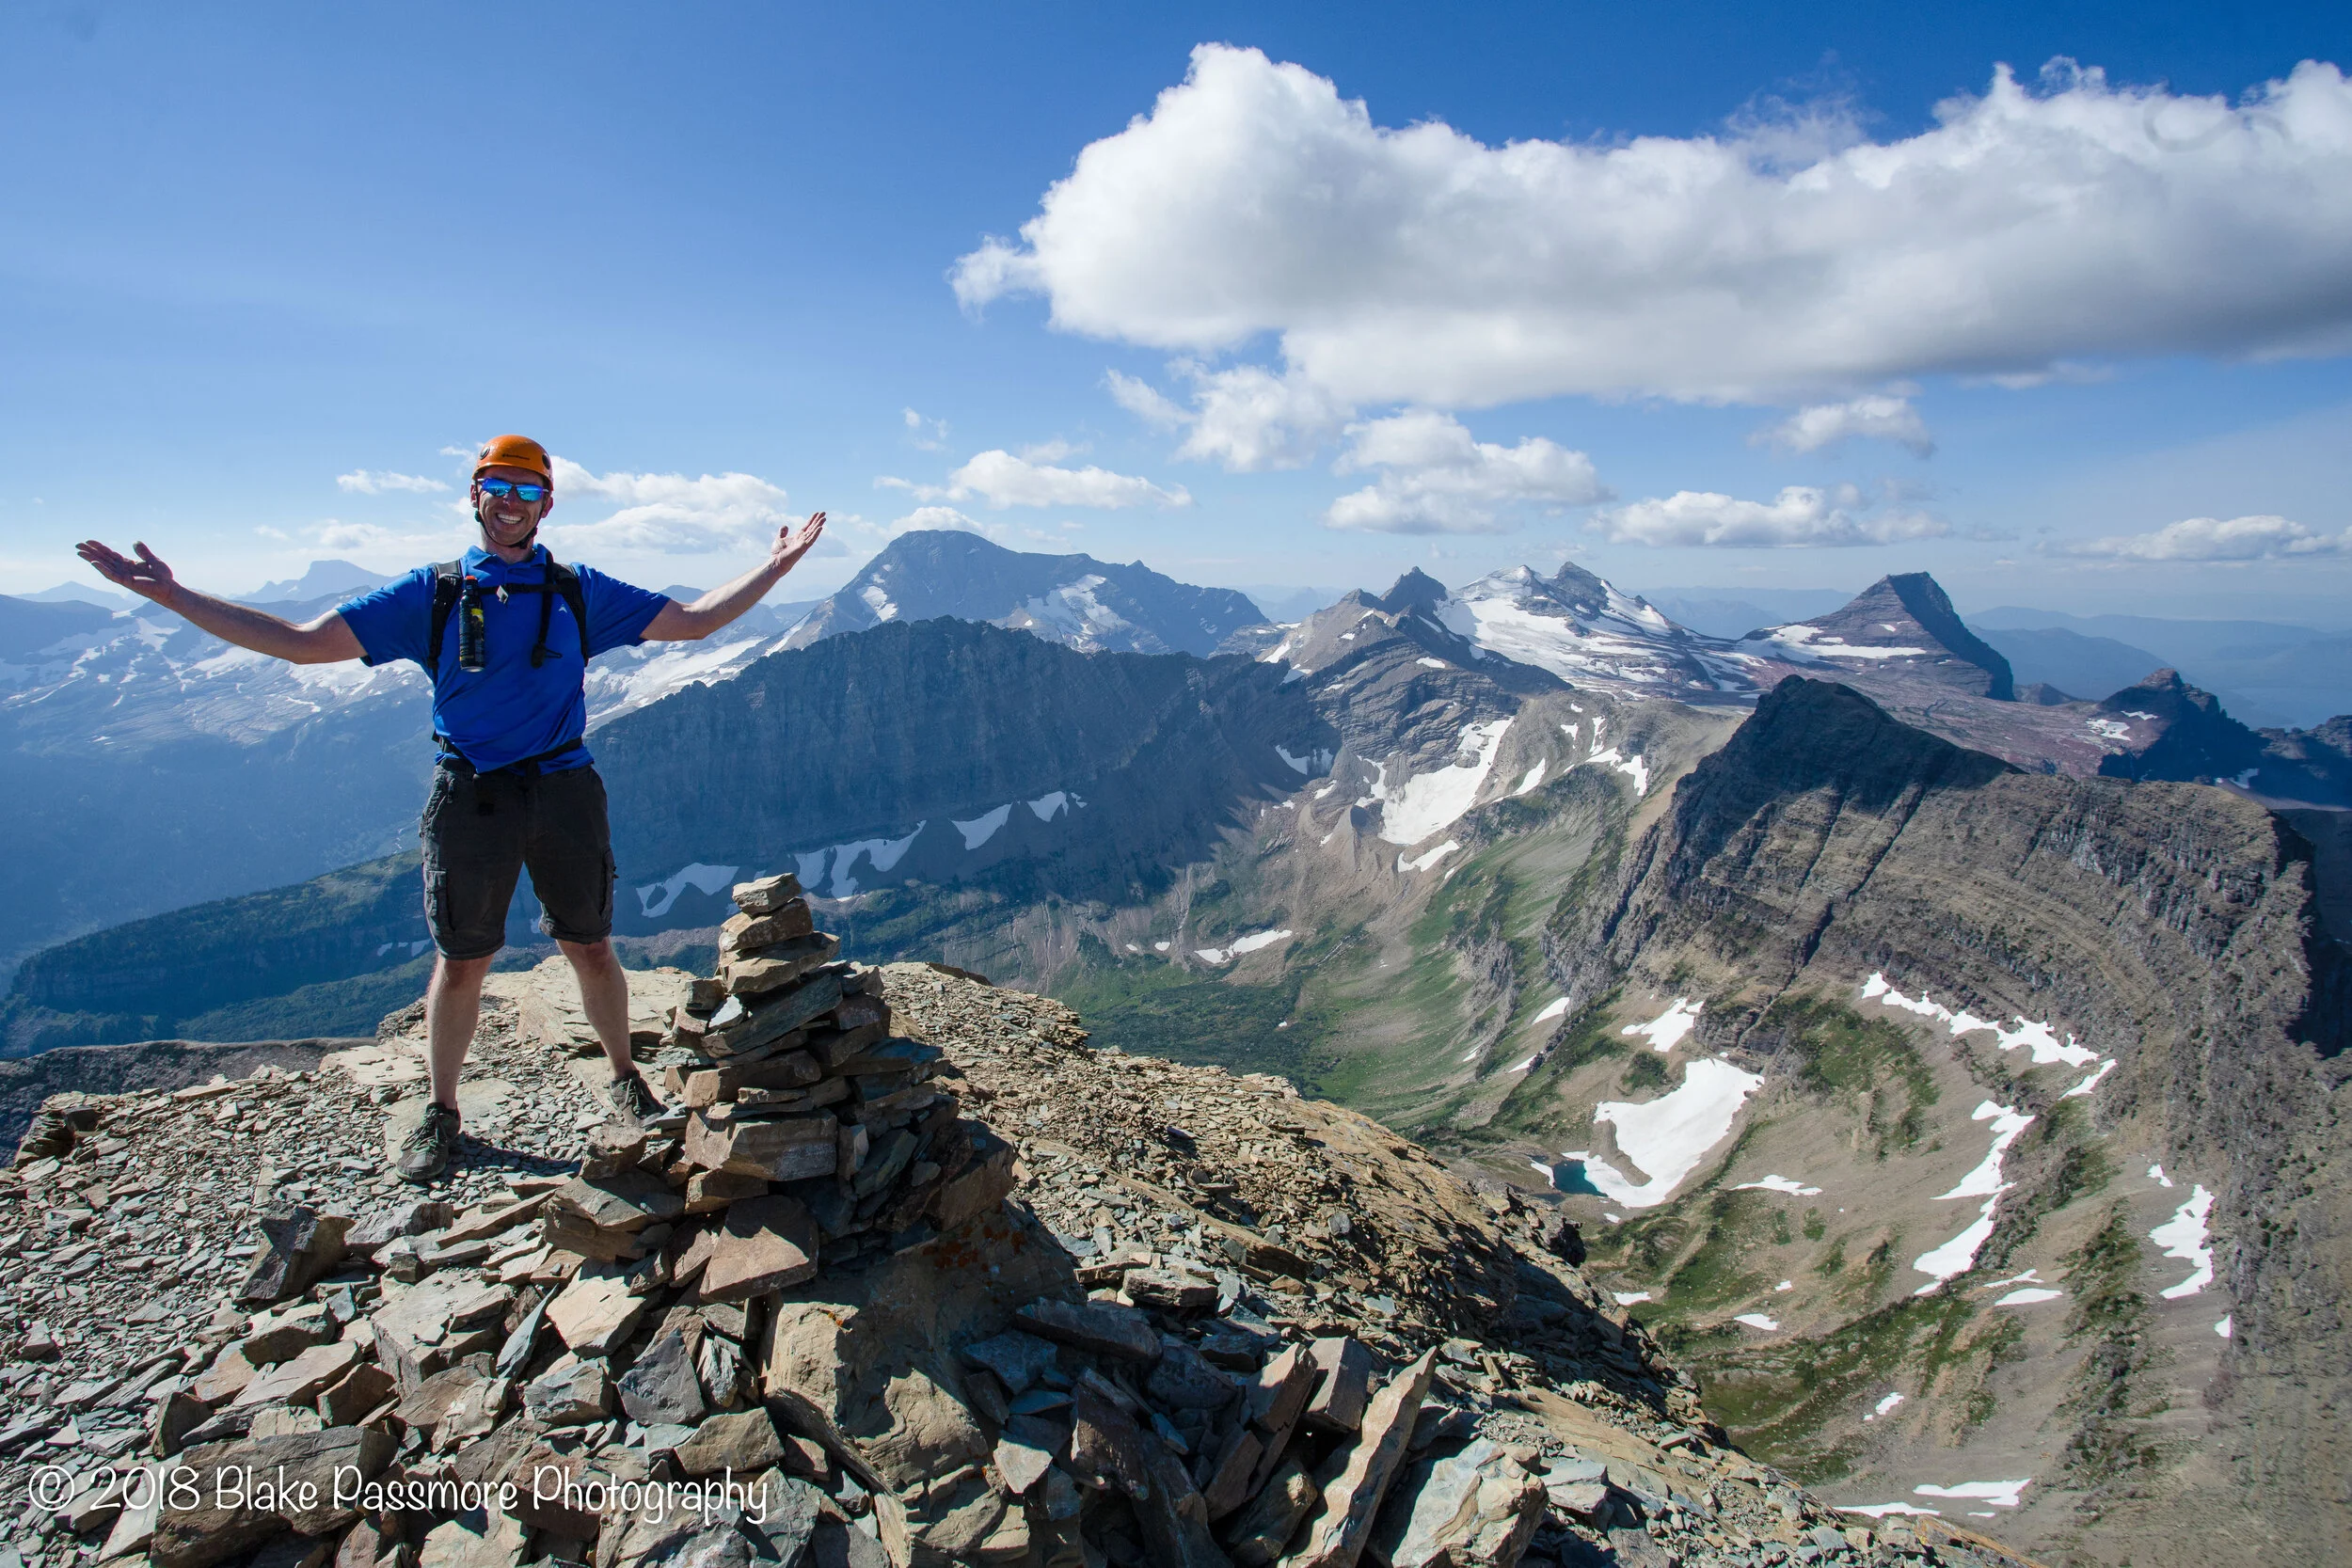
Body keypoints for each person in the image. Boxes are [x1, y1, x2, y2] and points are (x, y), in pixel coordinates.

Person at [77, 435, 825, 1181]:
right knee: (463, 960)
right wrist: (174, 596)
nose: (511, 502)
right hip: (470, 794)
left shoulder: (577, 589)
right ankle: (442, 1112)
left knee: (592, 943)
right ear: (474, 497)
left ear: (548, 504)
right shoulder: (430, 593)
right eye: (497, 487)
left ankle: (624, 1075)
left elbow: (693, 621)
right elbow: (302, 644)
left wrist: (778, 564)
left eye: (526, 491)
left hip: (564, 786)